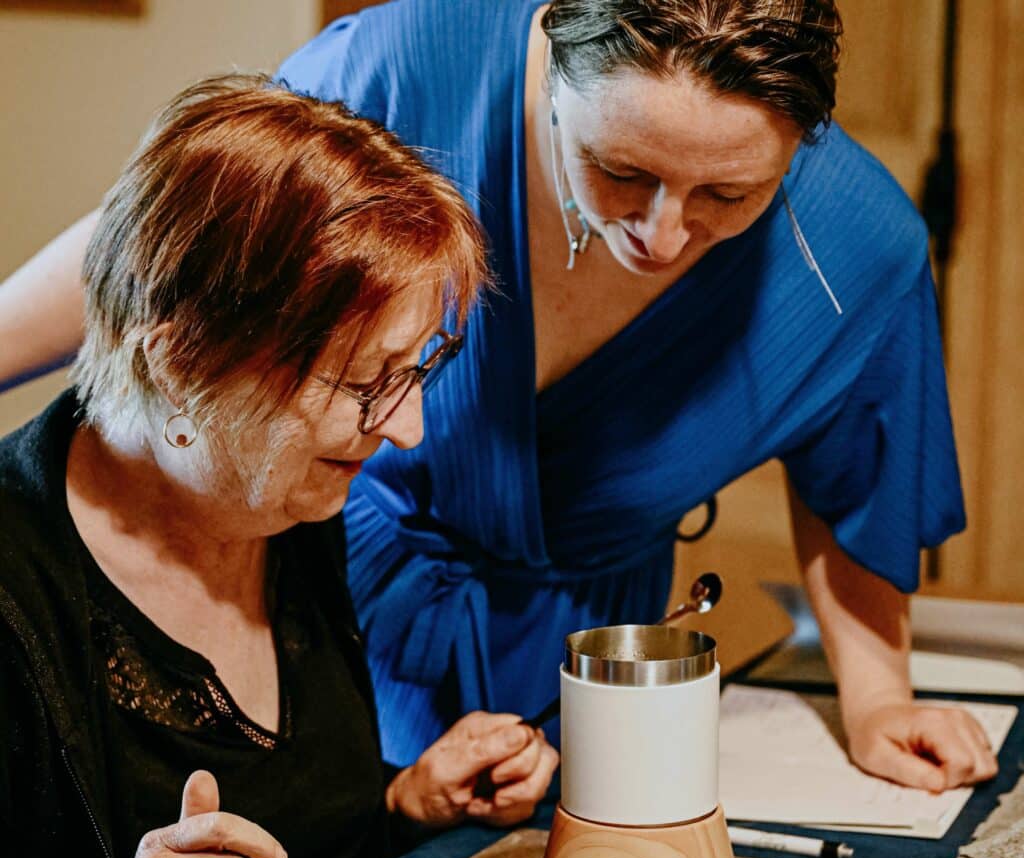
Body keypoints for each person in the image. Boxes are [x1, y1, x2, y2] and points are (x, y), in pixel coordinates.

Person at [0, 0, 998, 794]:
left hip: (583, 650)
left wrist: (877, 700)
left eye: (727, 197)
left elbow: (858, 477)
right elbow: (175, 251)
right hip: (323, 598)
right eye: (619, 170)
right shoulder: (402, 66)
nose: (660, 234)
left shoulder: (858, 247)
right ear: (551, 58)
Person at [0, 74, 558, 858]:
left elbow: (276, 852)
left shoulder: (283, 501)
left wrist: (404, 804)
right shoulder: (19, 589)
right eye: (367, 383)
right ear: (181, 362)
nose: (408, 429)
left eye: (415, 368)